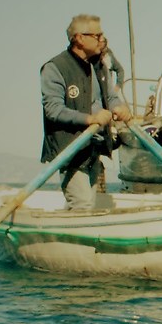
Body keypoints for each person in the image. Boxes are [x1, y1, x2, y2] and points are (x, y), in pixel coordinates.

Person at [40, 15, 131, 209]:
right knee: (82, 205)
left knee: (88, 202)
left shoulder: (99, 66)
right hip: (71, 150)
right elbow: (53, 110)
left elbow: (110, 97)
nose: (102, 40)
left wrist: (119, 107)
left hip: (94, 147)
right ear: (79, 38)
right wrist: (91, 119)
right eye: (97, 35)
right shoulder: (55, 68)